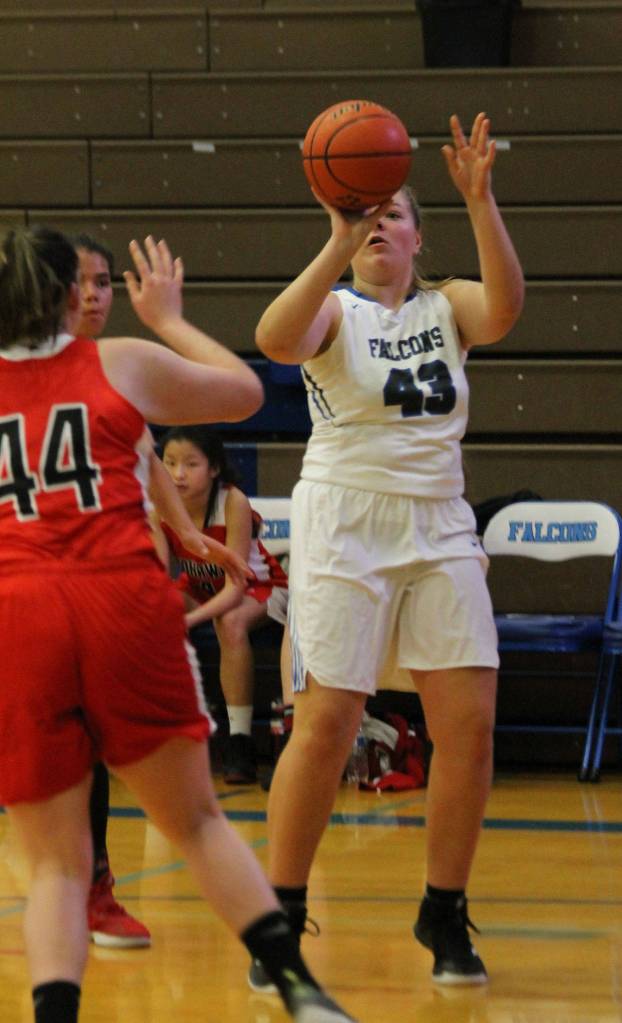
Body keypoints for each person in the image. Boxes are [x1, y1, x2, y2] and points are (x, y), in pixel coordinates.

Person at [0, 225, 358, 1023]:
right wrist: (166, 318)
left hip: (18, 611)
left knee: (55, 866)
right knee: (195, 821)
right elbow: (243, 391)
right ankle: (300, 991)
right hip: (117, 598)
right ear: (67, 295)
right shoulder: (116, 362)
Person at [249, 112, 524, 989]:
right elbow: (273, 340)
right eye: (364, 211)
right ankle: (280, 915)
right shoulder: (335, 310)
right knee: (327, 723)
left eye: (393, 213)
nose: (378, 223)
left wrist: (480, 200)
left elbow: (506, 307)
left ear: (415, 236)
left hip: (439, 520)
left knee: (469, 724)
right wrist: (336, 237)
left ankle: (443, 906)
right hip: (345, 520)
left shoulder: (449, 307)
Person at [75, 235, 244, 947]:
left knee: (87, 744)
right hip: (35, 579)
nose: (93, 295)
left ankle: (92, 889)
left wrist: (187, 533)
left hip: (94, 589)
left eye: (102, 281)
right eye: (78, 281)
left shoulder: (117, 369)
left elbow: (144, 456)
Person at [156, 425, 288, 783]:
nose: (178, 474)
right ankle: (167, 732)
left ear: (214, 467)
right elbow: (158, 579)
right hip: (202, 588)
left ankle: (239, 741)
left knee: (229, 622)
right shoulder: (160, 507)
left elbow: (235, 588)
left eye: (191, 464)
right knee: (155, 616)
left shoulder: (232, 502)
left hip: (261, 587)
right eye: (169, 462)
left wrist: (190, 620)